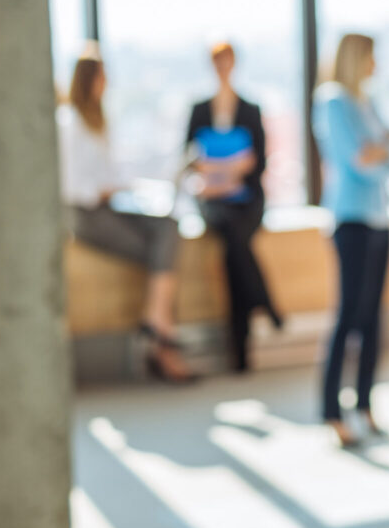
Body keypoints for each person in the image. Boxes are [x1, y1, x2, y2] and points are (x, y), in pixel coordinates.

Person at [58, 47, 195, 383]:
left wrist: (125, 186)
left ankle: (155, 321)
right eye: (102, 77)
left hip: (110, 206)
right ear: (88, 80)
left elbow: (109, 173)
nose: (107, 84)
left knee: (168, 228)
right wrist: (106, 189)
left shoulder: (99, 121)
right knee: (162, 256)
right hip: (86, 214)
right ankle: (162, 337)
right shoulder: (70, 123)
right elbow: (73, 186)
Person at [312, 33, 389, 447]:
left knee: (373, 318)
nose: (375, 64)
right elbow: (358, 161)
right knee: (347, 317)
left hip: (380, 218)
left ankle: (364, 404)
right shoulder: (332, 101)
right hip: (350, 220)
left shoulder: (369, 101)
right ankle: (331, 410)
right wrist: (380, 151)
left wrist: (379, 152)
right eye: (371, 56)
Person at [186, 42, 283, 373]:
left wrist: (221, 170)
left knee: (234, 246)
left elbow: (257, 163)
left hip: (247, 201)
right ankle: (263, 301)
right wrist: (229, 171)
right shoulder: (199, 108)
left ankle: (239, 352)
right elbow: (190, 159)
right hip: (213, 202)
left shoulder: (250, 108)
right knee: (233, 237)